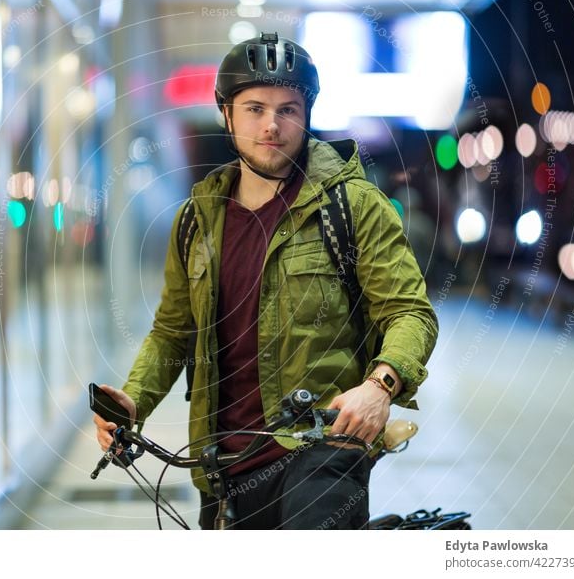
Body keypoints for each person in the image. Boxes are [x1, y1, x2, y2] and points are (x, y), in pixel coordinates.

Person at [94, 32, 438, 530]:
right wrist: (134, 399)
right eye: (254, 108)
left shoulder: (353, 205)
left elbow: (410, 313)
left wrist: (379, 387)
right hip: (222, 462)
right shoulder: (198, 218)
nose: (271, 126)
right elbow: (173, 331)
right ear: (226, 113)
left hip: (324, 447)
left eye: (288, 109)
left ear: (307, 114)